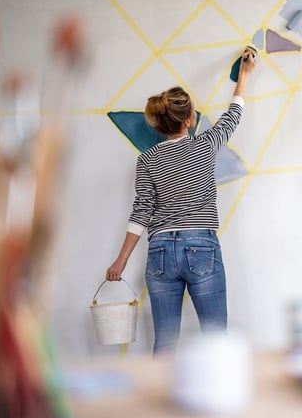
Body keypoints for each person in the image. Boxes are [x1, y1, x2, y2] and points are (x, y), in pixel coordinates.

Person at [106, 48, 256, 355]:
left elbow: (141, 211)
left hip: (160, 250)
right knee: (215, 337)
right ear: (190, 120)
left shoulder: (147, 159)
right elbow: (233, 116)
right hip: (201, 245)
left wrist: (120, 260)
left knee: (165, 342)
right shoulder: (205, 146)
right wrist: (244, 74)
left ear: (158, 125)